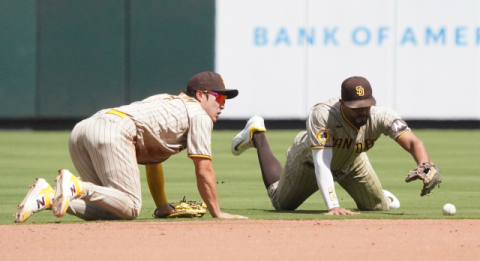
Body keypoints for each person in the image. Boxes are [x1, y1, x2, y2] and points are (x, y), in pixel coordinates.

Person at [14, 71, 247, 222]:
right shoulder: (199, 115)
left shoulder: (164, 100)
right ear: (200, 95)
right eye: (219, 98)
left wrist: (162, 206)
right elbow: (203, 169)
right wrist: (217, 212)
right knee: (131, 206)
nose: (222, 105)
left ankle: (48, 196)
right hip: (114, 131)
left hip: (83, 130)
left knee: (112, 209)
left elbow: (153, 163)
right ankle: (77, 186)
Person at [231, 76, 432, 215]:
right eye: (356, 107)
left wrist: (425, 165)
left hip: (352, 161)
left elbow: (414, 142)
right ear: (342, 103)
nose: (362, 111)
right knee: (281, 203)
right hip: (309, 162)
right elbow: (322, 163)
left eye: (366, 105)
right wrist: (333, 205)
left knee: (378, 208)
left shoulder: (382, 115)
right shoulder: (323, 115)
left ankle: (379, 195)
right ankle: (257, 135)